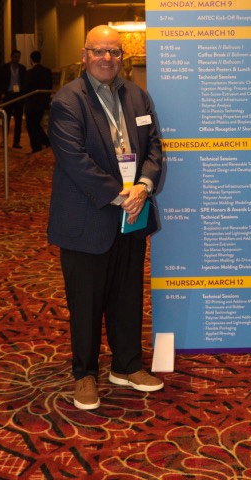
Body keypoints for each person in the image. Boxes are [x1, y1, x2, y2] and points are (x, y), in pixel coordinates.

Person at [48, 25, 164, 411]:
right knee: (86, 302)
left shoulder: (137, 96)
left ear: (122, 57)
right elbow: (74, 160)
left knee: (127, 295)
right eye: (99, 51)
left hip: (133, 214)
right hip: (88, 217)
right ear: (84, 55)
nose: (107, 58)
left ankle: (126, 365)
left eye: (114, 52)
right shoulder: (68, 100)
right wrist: (120, 195)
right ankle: (85, 374)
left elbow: (154, 147)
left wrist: (143, 186)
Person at [0, 49, 27, 148]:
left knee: (18, 120)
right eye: (15, 57)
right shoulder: (4, 68)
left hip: (19, 96)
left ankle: (16, 142)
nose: (17, 59)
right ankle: (4, 141)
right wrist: (1, 93)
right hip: (8, 95)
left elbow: (25, 82)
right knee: (6, 119)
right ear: (11, 57)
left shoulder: (23, 68)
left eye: (18, 57)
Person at [24, 50, 53, 153]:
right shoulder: (47, 71)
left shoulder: (30, 73)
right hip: (42, 102)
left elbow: (26, 88)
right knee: (35, 124)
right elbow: (50, 86)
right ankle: (44, 142)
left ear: (31, 59)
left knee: (31, 125)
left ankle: (38, 146)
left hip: (31, 104)